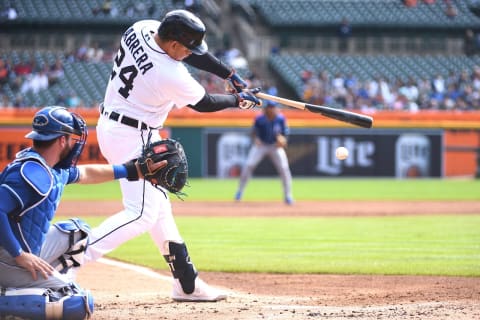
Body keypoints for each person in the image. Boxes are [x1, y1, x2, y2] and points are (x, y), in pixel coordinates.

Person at [87, 9, 260, 302]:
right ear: (173, 44)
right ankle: (67, 259)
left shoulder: (143, 28)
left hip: (119, 124)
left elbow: (189, 53)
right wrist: (237, 100)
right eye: (187, 47)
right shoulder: (170, 73)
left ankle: (187, 284)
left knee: (158, 209)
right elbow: (204, 103)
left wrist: (229, 74)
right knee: (140, 214)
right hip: (133, 135)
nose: (190, 53)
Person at [0, 106, 163, 319]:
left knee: (77, 233)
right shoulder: (32, 174)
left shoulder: (50, 167)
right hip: (9, 259)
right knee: (76, 304)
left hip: (23, 251)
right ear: (61, 140)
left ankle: (35, 288)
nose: (74, 143)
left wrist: (134, 171)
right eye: (71, 138)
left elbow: (86, 173)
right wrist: (19, 255)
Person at [234, 102, 293, 205]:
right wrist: (256, 139)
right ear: (266, 109)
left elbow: (285, 134)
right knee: (249, 165)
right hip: (261, 146)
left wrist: (284, 140)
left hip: (275, 146)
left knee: (284, 169)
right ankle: (240, 191)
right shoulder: (259, 119)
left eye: (273, 107)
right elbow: (253, 132)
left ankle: (288, 195)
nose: (271, 109)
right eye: (270, 107)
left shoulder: (281, 119)